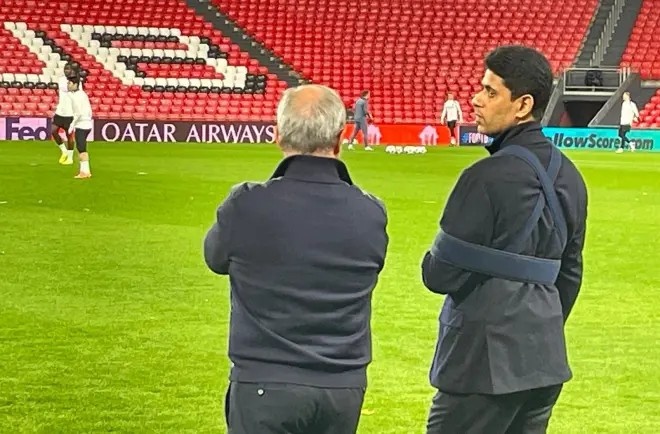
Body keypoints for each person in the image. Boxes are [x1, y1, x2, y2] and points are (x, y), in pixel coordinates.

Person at [421, 45, 588, 434]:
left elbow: (438, 274)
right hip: (544, 359)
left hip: (481, 364)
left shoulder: (484, 177)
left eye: (490, 91)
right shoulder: (570, 177)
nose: (476, 100)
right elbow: (570, 273)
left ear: (523, 105)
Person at [203, 84, 389, 434]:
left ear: (278, 135)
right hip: (342, 386)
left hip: (266, 380)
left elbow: (215, 258)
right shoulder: (370, 212)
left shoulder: (246, 204)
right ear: (340, 138)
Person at [51, 61, 80, 165]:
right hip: (60, 111)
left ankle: (70, 158)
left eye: (68, 69)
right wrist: (74, 85)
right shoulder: (62, 80)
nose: (66, 71)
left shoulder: (78, 81)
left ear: (72, 70)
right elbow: (68, 88)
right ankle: (64, 151)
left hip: (70, 113)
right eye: (65, 69)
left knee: (69, 136)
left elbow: (78, 92)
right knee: (53, 131)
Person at [67, 75, 93, 179]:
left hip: (82, 125)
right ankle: (86, 171)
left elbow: (78, 113)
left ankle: (84, 172)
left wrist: (71, 125)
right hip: (87, 123)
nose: (68, 85)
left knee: (81, 148)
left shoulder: (77, 97)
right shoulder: (83, 94)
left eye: (69, 83)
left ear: (75, 84)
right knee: (82, 147)